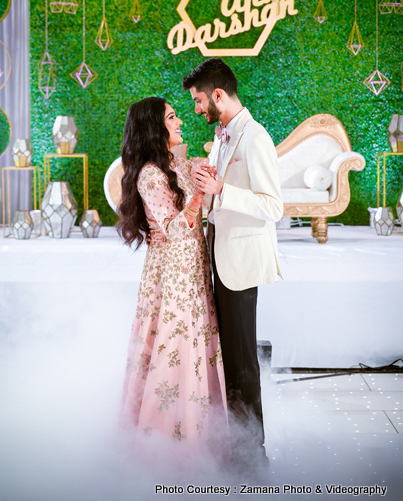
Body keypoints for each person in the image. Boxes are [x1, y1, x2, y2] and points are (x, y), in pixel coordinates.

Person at [183, 59, 283, 470]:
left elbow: (273, 207)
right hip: (220, 258)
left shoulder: (255, 138)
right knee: (231, 362)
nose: (196, 109)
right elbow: (221, 199)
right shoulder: (224, 137)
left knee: (243, 365)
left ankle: (252, 458)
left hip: (239, 263)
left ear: (219, 95)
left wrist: (222, 190)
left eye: (199, 100)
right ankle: (235, 447)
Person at [117, 96, 230, 461]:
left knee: (197, 346)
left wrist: (208, 176)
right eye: (172, 116)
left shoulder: (177, 162)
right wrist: (199, 196)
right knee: (174, 345)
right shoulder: (151, 173)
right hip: (172, 276)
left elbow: (204, 205)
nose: (180, 120)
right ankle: (166, 447)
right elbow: (174, 229)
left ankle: (202, 436)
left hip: (194, 271)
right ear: (155, 127)